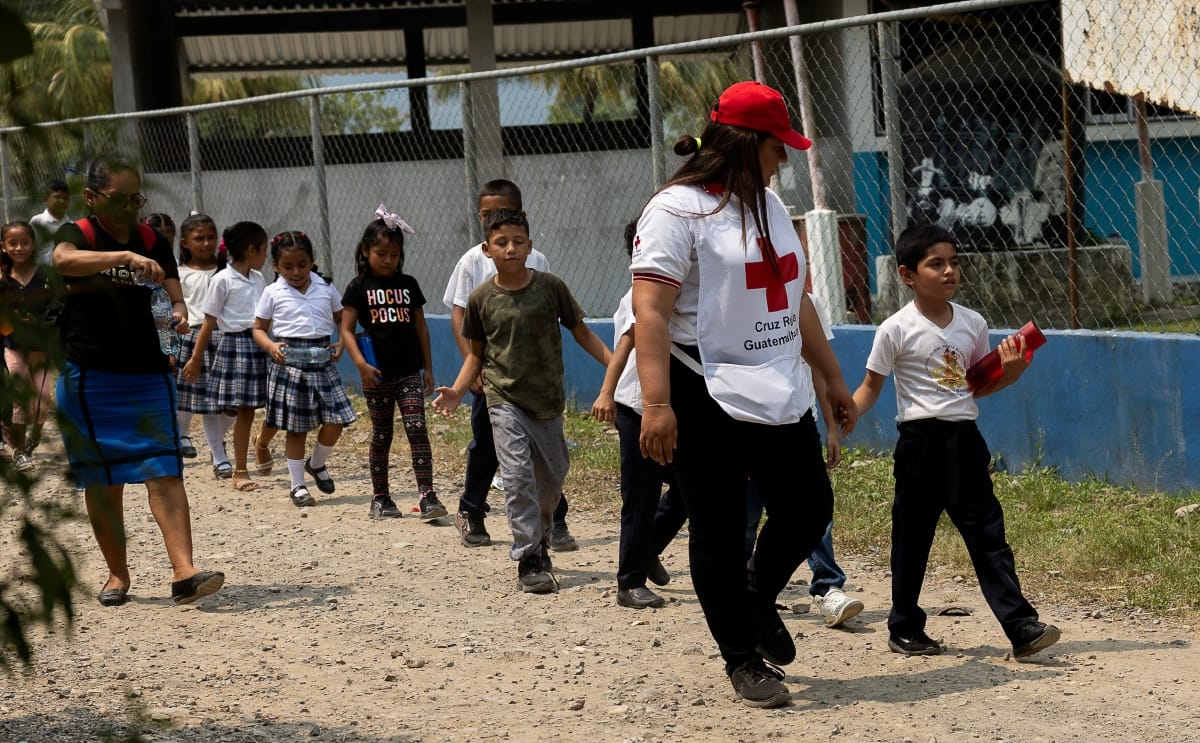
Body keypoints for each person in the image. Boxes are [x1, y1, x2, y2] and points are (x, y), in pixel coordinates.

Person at [630, 81, 858, 708]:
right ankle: (742, 658)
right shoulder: (676, 210)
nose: (783, 159)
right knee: (720, 529)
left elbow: (794, 296)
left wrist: (833, 377)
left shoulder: (771, 206)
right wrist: (656, 403)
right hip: (700, 385)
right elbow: (650, 310)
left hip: (774, 378)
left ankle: (754, 597)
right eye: (777, 147)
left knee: (808, 506)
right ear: (744, 143)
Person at [852, 223, 1061, 659]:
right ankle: (905, 627)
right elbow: (872, 385)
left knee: (989, 536)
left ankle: (1021, 627)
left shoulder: (973, 323)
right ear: (908, 275)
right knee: (912, 538)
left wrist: (1014, 370)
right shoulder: (895, 328)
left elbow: (974, 387)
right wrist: (848, 413)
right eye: (936, 264)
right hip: (919, 444)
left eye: (954, 263)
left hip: (965, 440)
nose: (949, 271)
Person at [52, 157, 223, 607]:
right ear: (91, 198)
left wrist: (180, 313)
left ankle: (184, 573)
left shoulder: (151, 238)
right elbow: (62, 260)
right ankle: (116, 575)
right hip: (91, 379)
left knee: (164, 471)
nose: (130, 207)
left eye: (137, 199)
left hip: (148, 375)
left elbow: (173, 293)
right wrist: (123, 257)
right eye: (119, 199)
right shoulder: (79, 235)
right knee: (103, 480)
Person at [432, 209, 611, 594]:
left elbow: (581, 332)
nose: (510, 248)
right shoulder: (481, 299)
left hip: (546, 400)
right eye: (501, 242)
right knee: (516, 478)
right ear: (487, 249)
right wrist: (458, 390)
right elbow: (476, 356)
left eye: (518, 241)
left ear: (530, 246)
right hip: (503, 400)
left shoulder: (551, 287)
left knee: (551, 479)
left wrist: (617, 367)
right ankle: (530, 557)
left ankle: (541, 536)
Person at [442, 179, 577, 550]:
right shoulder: (473, 261)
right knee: (492, 449)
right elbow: (460, 315)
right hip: (494, 378)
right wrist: (471, 369)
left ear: (524, 220)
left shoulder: (541, 266)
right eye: (486, 215)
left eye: (506, 216)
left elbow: (559, 319)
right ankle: (472, 510)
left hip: (537, 381)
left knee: (549, 461)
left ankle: (554, 520)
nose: (508, 244)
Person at [743, 293, 864, 629]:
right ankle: (741, 598)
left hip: (797, 423)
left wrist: (829, 427)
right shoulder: (728, 289)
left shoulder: (801, 297)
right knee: (746, 517)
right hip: (745, 422)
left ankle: (827, 588)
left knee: (812, 511)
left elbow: (817, 366)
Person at [591, 220, 686, 609]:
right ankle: (629, 582)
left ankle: (647, 548)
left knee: (685, 491)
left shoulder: (682, 290)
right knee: (641, 496)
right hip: (637, 407)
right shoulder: (641, 293)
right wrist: (606, 393)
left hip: (671, 409)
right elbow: (627, 344)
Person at [340, 205, 445, 521]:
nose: (388, 260)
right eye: (381, 253)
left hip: (409, 372)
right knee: (382, 433)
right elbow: (345, 330)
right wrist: (360, 365)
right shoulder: (358, 287)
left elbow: (421, 328)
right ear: (365, 251)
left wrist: (428, 368)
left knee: (417, 428)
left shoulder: (409, 284)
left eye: (394, 254)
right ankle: (381, 498)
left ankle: (427, 495)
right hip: (376, 375)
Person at [252, 230, 356, 507]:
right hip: (290, 367)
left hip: (323, 365)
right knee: (296, 429)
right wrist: (270, 346)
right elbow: (259, 329)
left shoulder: (326, 288)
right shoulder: (273, 292)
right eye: (288, 266)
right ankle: (297, 485)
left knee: (337, 419)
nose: (296, 272)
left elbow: (342, 320)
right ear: (275, 266)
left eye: (302, 264)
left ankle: (317, 463)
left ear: (312, 261)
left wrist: (342, 344)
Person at [182, 221, 271, 493]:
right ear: (251, 249)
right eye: (264, 250)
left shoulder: (258, 279)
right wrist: (196, 359)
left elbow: (267, 318)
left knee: (274, 405)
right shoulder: (221, 280)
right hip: (236, 347)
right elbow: (208, 323)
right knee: (243, 410)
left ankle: (262, 445)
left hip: (261, 345)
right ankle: (239, 470)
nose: (266, 257)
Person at [173, 213, 233, 471]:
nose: (206, 243)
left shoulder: (226, 272)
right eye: (199, 238)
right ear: (185, 242)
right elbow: (173, 306)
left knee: (233, 406)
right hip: (193, 339)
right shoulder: (178, 274)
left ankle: (217, 443)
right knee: (208, 405)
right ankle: (219, 457)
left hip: (225, 340)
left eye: (211, 237)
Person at [0, 221, 58, 472]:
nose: (19, 247)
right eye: (13, 243)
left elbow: (57, 307)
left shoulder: (44, 275)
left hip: (41, 349)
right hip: (14, 347)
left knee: (42, 401)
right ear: (3, 246)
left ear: (33, 244)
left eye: (24, 242)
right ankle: (19, 452)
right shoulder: (3, 277)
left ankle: (33, 438)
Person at [29, 179, 70, 264]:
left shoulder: (71, 224)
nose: (61, 201)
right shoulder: (37, 222)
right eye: (57, 197)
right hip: (41, 271)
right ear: (46, 199)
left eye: (65, 198)